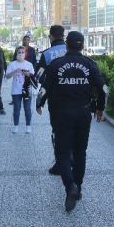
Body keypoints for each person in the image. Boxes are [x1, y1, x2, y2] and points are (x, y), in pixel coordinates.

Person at [43, 31, 107, 212]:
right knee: (80, 152)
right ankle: (77, 187)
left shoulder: (56, 64)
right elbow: (103, 89)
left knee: (63, 153)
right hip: (84, 113)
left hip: (63, 114)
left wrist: (39, 103)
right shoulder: (90, 64)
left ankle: (70, 185)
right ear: (83, 45)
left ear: (67, 45)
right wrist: (100, 108)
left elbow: (45, 88)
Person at [35, 25, 68, 175]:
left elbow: (39, 77)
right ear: (63, 36)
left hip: (56, 99)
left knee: (57, 130)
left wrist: (40, 101)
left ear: (51, 37)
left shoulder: (47, 54)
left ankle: (60, 163)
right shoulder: (73, 50)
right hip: (76, 98)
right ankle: (71, 159)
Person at [6, 45, 36, 133]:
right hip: (16, 90)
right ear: (16, 53)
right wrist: (15, 71)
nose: (21, 54)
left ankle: (28, 126)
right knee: (16, 109)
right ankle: (15, 126)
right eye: (19, 52)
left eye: (23, 52)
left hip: (27, 90)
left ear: (25, 54)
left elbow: (33, 76)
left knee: (27, 109)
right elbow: (7, 76)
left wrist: (28, 74)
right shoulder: (12, 64)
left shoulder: (29, 64)